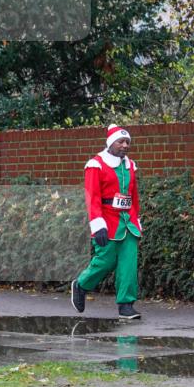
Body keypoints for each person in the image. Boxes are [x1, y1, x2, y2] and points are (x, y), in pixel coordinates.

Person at [70, 124, 143, 320]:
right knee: (106, 260)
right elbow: (92, 197)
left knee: (129, 264)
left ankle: (126, 305)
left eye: (127, 142)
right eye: (121, 141)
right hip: (107, 221)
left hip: (128, 222)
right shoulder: (96, 165)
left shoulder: (130, 166)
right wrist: (97, 224)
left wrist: (137, 219)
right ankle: (81, 285)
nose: (125, 145)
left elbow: (133, 196)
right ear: (111, 143)